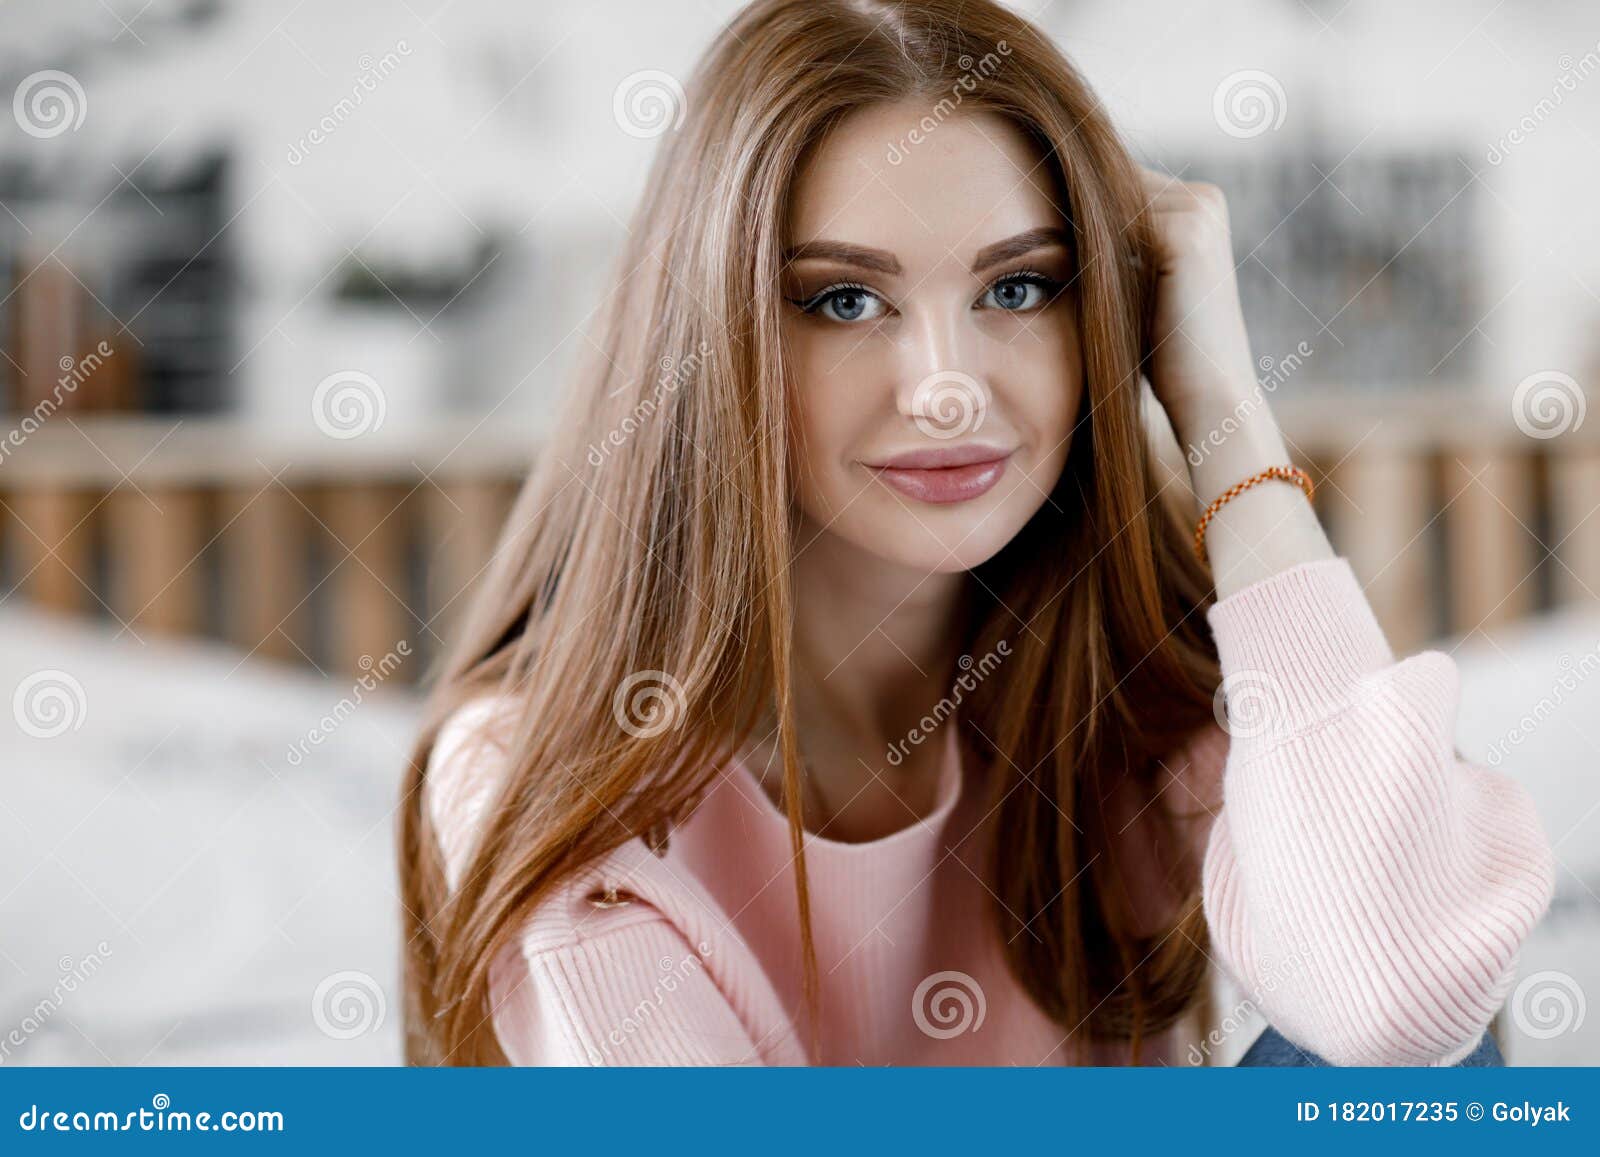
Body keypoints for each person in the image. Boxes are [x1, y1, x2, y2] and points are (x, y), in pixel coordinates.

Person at [398, 0, 1553, 1067]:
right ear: (714, 342)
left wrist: (1222, 413)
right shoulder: (546, 782)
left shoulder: (1156, 694)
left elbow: (1400, 1006)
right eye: (845, 301)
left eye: (1019, 289)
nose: (947, 389)